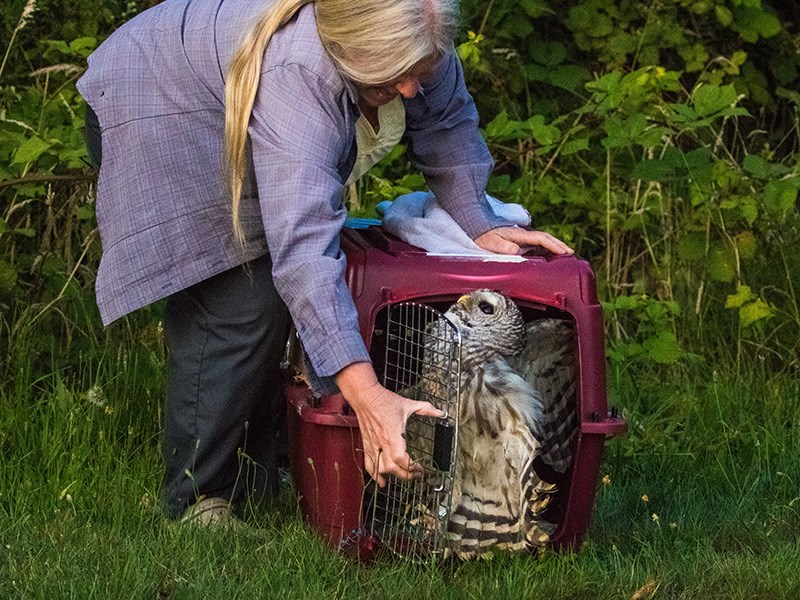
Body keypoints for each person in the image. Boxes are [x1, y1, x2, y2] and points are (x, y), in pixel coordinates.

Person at [78, 0, 573, 525]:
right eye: (392, 78)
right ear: (345, 51)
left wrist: (480, 221)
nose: (409, 92)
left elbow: (446, 123)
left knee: (289, 288)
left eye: (419, 73)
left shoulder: (419, 40)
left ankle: (272, 467)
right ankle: (200, 497)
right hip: (154, 101)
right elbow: (304, 251)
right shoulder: (299, 73)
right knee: (242, 297)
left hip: (223, 89)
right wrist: (369, 398)